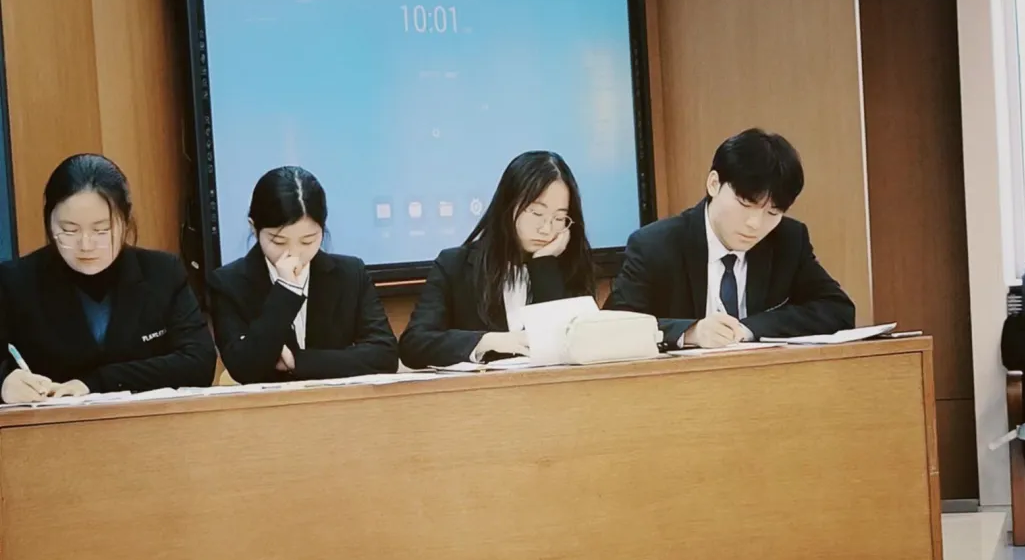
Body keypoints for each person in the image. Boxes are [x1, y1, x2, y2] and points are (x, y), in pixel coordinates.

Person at [606, 128, 855, 348]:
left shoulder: (788, 240)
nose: (755, 224)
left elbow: (838, 310)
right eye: (745, 204)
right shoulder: (655, 245)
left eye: (772, 213)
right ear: (714, 184)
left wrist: (749, 329)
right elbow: (613, 327)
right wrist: (690, 332)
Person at [0, 154, 216, 404]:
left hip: (147, 423)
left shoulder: (162, 273)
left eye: (102, 230)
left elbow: (198, 362)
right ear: (49, 223)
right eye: (69, 230)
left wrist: (96, 383)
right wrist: (4, 383)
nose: (86, 245)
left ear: (126, 221)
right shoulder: (15, 282)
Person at [399, 150, 596, 368]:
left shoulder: (571, 267)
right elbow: (414, 345)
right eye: (536, 213)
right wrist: (487, 341)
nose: (546, 229)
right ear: (508, 205)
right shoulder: (455, 265)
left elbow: (576, 346)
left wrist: (544, 264)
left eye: (559, 218)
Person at [209, 166, 398, 383]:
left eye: (307, 241)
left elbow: (385, 355)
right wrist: (286, 291)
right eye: (278, 242)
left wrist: (299, 361)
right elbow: (244, 367)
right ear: (254, 228)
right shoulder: (228, 283)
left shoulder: (350, 274)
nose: (294, 254)